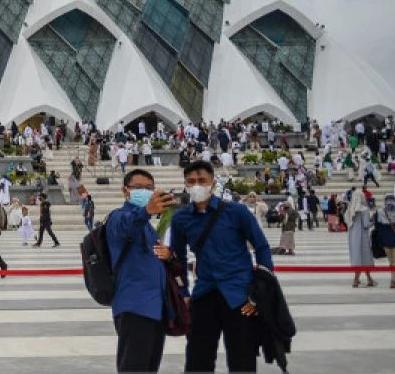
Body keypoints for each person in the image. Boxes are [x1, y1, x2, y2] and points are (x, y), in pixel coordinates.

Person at [171, 160, 273, 373]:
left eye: (201, 180)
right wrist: (183, 292)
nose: (197, 185)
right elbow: (177, 259)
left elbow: (262, 247)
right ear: (185, 185)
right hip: (204, 294)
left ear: (213, 182)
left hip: (240, 296)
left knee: (242, 361)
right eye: (191, 181)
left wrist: (259, 293)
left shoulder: (237, 212)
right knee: (197, 360)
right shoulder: (181, 218)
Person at [107, 168, 177, 373]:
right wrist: (146, 211)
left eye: (149, 188)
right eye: (138, 187)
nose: (144, 191)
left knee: (149, 367)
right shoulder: (118, 217)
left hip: (155, 308)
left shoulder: (148, 226)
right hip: (134, 306)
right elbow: (127, 223)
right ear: (125, 191)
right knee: (134, 368)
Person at [346, 187, 377, 288]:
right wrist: (374, 221)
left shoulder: (350, 208)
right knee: (365, 257)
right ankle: (362, 279)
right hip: (362, 237)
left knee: (357, 257)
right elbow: (366, 224)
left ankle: (361, 279)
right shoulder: (364, 209)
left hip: (353, 237)